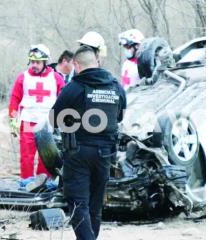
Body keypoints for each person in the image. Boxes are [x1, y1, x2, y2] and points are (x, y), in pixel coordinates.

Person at [50, 45, 126, 240]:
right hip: (106, 154)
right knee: (95, 204)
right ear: (97, 62)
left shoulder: (74, 87)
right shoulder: (116, 86)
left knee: (78, 203)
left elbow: (54, 118)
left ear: (76, 64)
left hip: (78, 152)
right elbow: (119, 116)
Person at [8, 44, 65, 179]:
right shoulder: (23, 77)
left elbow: (64, 100)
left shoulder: (56, 78)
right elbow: (14, 100)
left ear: (45, 62)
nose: (34, 65)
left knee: (46, 157)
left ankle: (42, 183)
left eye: (38, 62)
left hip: (48, 123)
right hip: (28, 120)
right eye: (32, 61)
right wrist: (12, 121)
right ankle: (26, 182)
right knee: (26, 156)